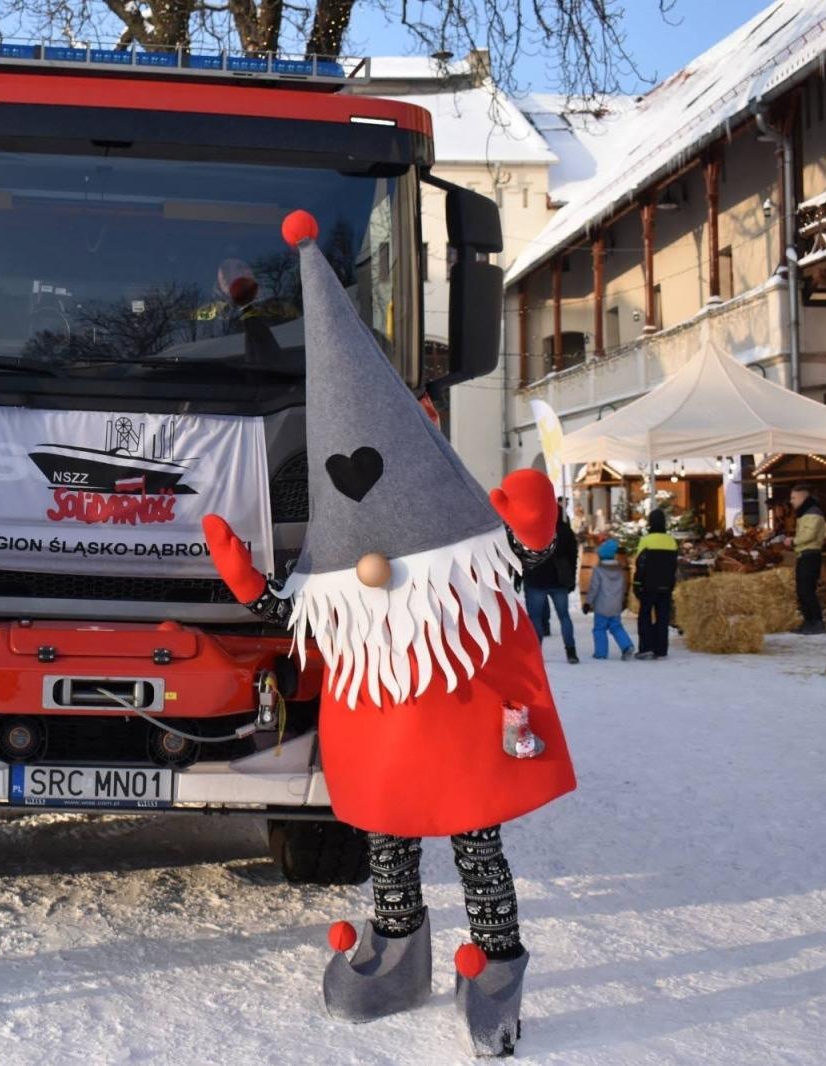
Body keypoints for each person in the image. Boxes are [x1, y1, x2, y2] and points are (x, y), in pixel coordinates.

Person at [202, 212, 575, 1057]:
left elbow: (516, 559)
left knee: (479, 849)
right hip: (386, 731)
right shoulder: (340, 578)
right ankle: (397, 953)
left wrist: (533, 531)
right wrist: (253, 587)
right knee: (390, 846)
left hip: (461, 723)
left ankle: (498, 971)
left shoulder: (461, 546)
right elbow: (297, 616)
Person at [522, 502, 579, 664]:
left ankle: (536, 652)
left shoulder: (533, 530)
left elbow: (523, 555)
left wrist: (520, 575)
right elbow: (572, 557)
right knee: (564, 616)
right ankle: (571, 651)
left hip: (535, 579)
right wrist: (571, 579)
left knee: (536, 618)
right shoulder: (566, 531)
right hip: (559, 581)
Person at [633, 509, 678, 660]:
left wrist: (637, 583)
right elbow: (674, 566)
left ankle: (646, 647)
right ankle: (661, 649)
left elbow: (640, 563)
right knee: (663, 617)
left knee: (645, 616)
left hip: (648, 586)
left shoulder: (646, 540)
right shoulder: (671, 541)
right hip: (666, 586)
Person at [582, 538, 634, 660]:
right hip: (615, 605)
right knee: (616, 627)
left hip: (601, 606)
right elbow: (622, 588)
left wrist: (588, 603)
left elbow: (594, 588)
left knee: (599, 629)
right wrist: (622, 602)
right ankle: (627, 645)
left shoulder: (598, 570)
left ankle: (601, 653)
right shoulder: (620, 570)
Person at [790, 483, 826, 634]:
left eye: (793, 498)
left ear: (802, 497)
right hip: (804, 554)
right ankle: (809, 622)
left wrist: (793, 541)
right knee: (802, 590)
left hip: (810, 555)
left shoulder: (813, 513)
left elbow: (809, 535)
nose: (791, 501)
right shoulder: (805, 512)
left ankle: (817, 623)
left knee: (807, 590)